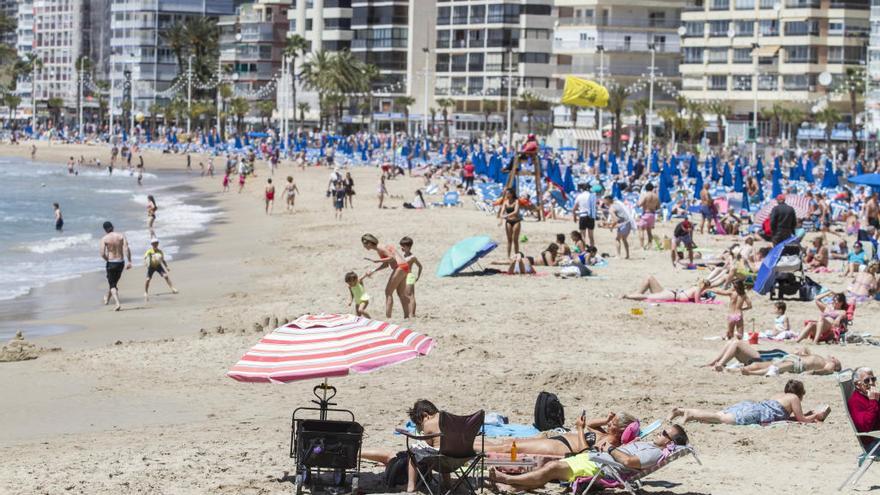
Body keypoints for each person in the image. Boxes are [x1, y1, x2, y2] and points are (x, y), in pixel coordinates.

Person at [487, 425, 690, 491]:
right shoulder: (648, 444)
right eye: (663, 430)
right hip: (595, 458)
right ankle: (512, 480)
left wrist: (610, 449)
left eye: (665, 434)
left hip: (603, 468)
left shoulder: (654, 452)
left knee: (551, 469)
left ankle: (507, 480)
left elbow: (629, 463)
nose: (660, 433)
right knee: (549, 468)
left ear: (670, 443)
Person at [361, 400, 442, 493]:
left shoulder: (429, 423)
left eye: (421, 424)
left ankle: (356, 453)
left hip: (402, 473)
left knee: (390, 455)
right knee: (392, 457)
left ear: (425, 415)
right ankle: (358, 454)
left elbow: (425, 447)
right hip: (440, 466)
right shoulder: (447, 422)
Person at [669, 380, 830, 425]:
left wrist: (808, 415)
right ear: (799, 393)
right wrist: (816, 415)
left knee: (719, 414)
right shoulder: (793, 398)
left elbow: (789, 417)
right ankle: (689, 414)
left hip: (751, 406)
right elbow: (801, 419)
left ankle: (681, 410)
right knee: (720, 419)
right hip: (755, 413)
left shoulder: (779, 395)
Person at [483, 411, 637, 457]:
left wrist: (579, 429)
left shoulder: (609, 445)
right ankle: (465, 444)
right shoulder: (604, 434)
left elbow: (586, 453)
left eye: (613, 423)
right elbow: (590, 425)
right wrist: (605, 419)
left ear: (621, 431)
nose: (609, 424)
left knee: (508, 448)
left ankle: (465, 449)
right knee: (507, 443)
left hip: (560, 447)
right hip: (559, 439)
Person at [362, 233, 411, 318]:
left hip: (400, 267)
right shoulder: (379, 248)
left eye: (364, 244)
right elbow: (386, 264)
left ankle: (388, 318)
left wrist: (376, 260)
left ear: (369, 243)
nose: (364, 247)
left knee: (388, 292)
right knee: (401, 294)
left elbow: (392, 258)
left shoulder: (380, 248)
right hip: (405, 266)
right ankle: (407, 317)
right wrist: (374, 270)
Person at [99, 221, 132, 311]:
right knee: (113, 282)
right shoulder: (121, 236)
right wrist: (129, 261)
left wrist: (108, 260)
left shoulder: (104, 239)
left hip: (111, 262)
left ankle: (117, 303)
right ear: (113, 227)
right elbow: (126, 248)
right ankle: (107, 298)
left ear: (105, 230)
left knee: (112, 284)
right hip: (121, 262)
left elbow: (102, 253)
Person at [739, 348, 841, 376]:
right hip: (794, 358)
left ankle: (750, 372)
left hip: (799, 364)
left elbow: (827, 370)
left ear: (836, 366)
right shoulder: (822, 359)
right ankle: (736, 371)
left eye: (836, 359)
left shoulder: (831, 364)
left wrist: (812, 372)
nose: (833, 358)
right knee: (759, 364)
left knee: (774, 368)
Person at [704, 339, 789, 371]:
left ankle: (720, 364)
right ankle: (714, 362)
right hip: (758, 356)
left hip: (761, 358)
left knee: (737, 343)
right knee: (732, 342)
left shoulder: (789, 357)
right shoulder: (789, 356)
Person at [848, 367, 880, 447]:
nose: (871, 383)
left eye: (873, 379)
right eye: (867, 380)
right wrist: (873, 401)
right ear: (857, 385)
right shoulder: (855, 401)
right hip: (873, 442)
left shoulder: (870, 396)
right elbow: (865, 427)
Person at [623, 276, 710, 302]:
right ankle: (627, 296)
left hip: (670, 292)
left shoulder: (694, 287)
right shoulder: (698, 289)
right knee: (647, 297)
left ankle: (635, 295)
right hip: (671, 295)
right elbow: (698, 302)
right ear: (704, 287)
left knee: (649, 278)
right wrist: (706, 301)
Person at [602, 195, 635, 260]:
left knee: (617, 239)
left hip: (623, 224)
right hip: (628, 223)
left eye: (605, 201)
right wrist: (609, 224)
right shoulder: (617, 204)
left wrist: (612, 226)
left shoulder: (611, 208)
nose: (604, 202)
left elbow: (616, 220)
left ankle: (618, 256)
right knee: (624, 239)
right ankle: (627, 255)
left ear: (608, 201)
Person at [400, 237, 423, 317]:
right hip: (403, 277)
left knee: (411, 295)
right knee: (405, 295)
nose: (402, 247)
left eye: (403, 246)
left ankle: (412, 314)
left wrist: (417, 276)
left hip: (409, 276)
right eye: (401, 246)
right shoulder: (402, 256)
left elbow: (420, 266)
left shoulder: (412, 257)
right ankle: (409, 313)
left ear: (408, 247)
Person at [498, 188, 521, 259]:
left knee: (515, 239)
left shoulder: (516, 201)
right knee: (509, 240)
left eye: (508, 193)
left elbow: (516, 212)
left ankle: (517, 255)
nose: (506, 195)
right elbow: (501, 212)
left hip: (516, 221)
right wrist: (501, 221)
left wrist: (506, 215)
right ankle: (508, 256)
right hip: (508, 221)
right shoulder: (505, 202)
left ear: (512, 194)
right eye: (506, 193)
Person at [572, 183, 597, 248]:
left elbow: (574, 208)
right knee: (591, 236)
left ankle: (583, 250)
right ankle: (592, 249)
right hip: (591, 216)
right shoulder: (593, 196)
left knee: (583, 236)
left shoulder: (580, 196)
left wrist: (574, 217)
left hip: (583, 215)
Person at [637, 183, 660, 249]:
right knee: (649, 231)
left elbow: (640, 204)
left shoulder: (645, 195)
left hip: (646, 214)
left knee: (641, 229)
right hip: (652, 214)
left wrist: (638, 202)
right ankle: (650, 245)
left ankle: (642, 246)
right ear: (652, 188)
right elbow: (658, 207)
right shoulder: (656, 196)